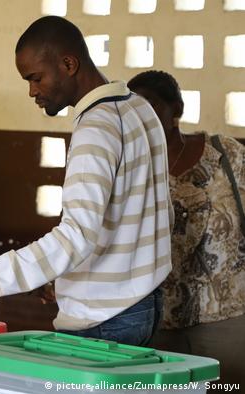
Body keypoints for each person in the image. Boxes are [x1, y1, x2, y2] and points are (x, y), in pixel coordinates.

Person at [0, 16, 172, 346]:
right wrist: (66, 277)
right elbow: (150, 216)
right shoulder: (139, 108)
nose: (32, 91)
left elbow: (74, 238)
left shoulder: (96, 129)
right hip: (144, 303)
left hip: (104, 318)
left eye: (36, 78)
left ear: (68, 63)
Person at [128, 70, 245, 385]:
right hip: (158, 320)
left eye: (149, 107)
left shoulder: (228, 155)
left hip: (228, 316)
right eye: (132, 110)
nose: (141, 118)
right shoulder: (130, 169)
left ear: (176, 110)